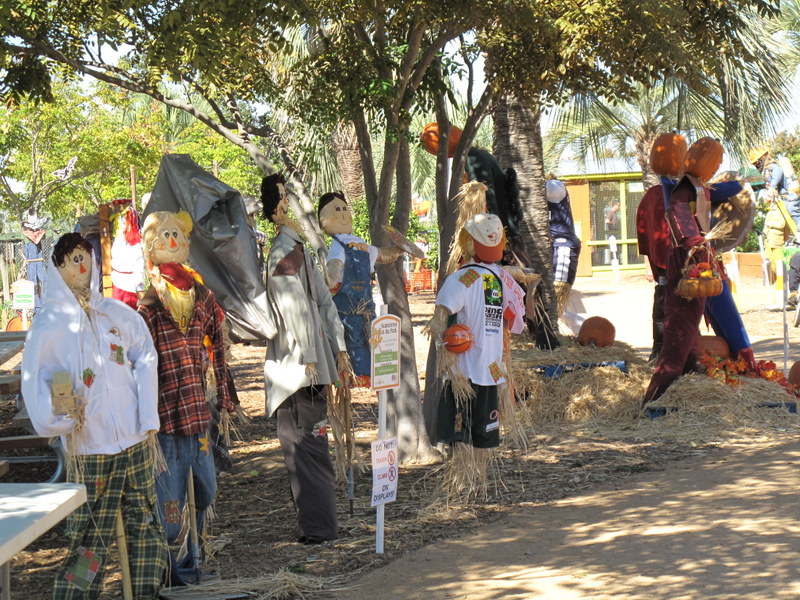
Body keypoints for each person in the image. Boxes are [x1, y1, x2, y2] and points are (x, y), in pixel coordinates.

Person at [23, 232, 167, 599]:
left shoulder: (116, 314)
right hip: (91, 447)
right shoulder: (50, 324)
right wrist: (59, 423)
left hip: (134, 440)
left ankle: (143, 591)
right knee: (90, 538)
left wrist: (146, 414)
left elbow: (145, 354)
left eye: (86, 257)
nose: (83, 266)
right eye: (73, 259)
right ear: (58, 269)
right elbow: (35, 379)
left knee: (145, 524)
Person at [138, 210, 234, 586]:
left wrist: (224, 396)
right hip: (164, 422)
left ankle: (195, 557)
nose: (172, 241)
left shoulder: (203, 295)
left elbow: (221, 349)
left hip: (197, 417)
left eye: (177, 234)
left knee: (206, 491)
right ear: (152, 244)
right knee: (170, 506)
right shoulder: (147, 305)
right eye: (164, 235)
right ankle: (171, 571)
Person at [261, 174, 347, 544]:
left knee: (305, 448)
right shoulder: (291, 251)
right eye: (279, 198)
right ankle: (320, 526)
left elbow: (307, 308)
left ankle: (318, 530)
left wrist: (323, 354)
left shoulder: (287, 253)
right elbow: (314, 307)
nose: (285, 203)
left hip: (299, 372)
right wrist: (333, 352)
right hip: (311, 367)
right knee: (312, 446)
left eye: (286, 196)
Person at [430, 213, 526, 449]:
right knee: (484, 437)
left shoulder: (462, 278)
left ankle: (465, 477)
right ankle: (476, 478)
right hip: (490, 366)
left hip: (463, 369)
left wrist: (445, 352)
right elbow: (513, 320)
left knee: (460, 435)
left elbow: (439, 319)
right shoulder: (500, 278)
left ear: (468, 243)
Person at [644, 137, 726, 404]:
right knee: (678, 334)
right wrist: (698, 246)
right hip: (687, 269)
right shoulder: (684, 191)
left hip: (697, 266)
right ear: (705, 162)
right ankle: (657, 396)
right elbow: (681, 222)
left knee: (688, 329)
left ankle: (689, 374)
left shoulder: (698, 188)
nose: (718, 166)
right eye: (716, 161)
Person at [317, 191, 403, 385]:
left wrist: (399, 249)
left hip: (364, 307)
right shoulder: (337, 245)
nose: (341, 214)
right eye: (336, 209)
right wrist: (329, 281)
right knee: (348, 342)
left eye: (344, 209)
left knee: (366, 340)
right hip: (345, 307)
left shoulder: (362, 244)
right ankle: (349, 377)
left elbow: (382, 254)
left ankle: (363, 375)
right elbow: (334, 268)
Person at [546, 179, 581, 317]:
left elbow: (552, 189)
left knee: (559, 290)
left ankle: (555, 321)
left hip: (563, 245)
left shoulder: (555, 186)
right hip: (556, 244)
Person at [750, 148, 800, 228]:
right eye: (755, 164)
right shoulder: (766, 171)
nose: (756, 165)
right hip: (785, 198)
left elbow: (778, 173)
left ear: (762, 159)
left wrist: (772, 186)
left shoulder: (773, 166)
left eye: (757, 162)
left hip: (790, 197)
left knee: (794, 213)